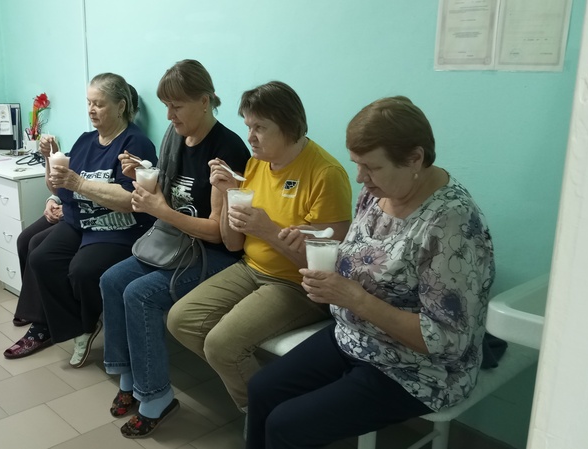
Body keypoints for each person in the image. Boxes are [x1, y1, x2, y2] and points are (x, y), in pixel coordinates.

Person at [245, 96, 496, 448]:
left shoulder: (451, 224)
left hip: (418, 368)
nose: (360, 178)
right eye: (356, 164)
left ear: (415, 159)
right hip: (355, 336)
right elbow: (364, 255)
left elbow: (446, 340)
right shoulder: (376, 193)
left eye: (371, 167)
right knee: (262, 389)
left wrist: (355, 299)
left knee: (286, 425)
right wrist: (313, 241)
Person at [166, 80, 354, 415]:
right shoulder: (257, 164)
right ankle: (270, 392)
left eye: (260, 128)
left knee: (222, 345)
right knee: (181, 319)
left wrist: (268, 230)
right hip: (250, 268)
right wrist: (226, 193)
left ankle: (266, 415)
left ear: (290, 127)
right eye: (248, 126)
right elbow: (233, 242)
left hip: (298, 285)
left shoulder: (325, 174)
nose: (250, 137)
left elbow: (329, 267)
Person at [100, 59, 250, 439]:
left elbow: (218, 234)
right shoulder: (174, 136)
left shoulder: (227, 149)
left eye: (177, 106)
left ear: (205, 101)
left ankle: (156, 398)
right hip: (175, 242)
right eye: (166, 106)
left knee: (140, 295)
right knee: (112, 280)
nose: (169, 115)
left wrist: (161, 210)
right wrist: (141, 176)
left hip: (214, 255)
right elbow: (167, 198)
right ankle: (129, 377)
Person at [4, 73, 157, 369]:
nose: (91, 110)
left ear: (121, 106)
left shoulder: (135, 144)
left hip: (117, 227)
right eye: (89, 103)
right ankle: (65, 324)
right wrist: (49, 159)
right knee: (41, 257)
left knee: (81, 269)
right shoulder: (86, 141)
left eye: (99, 104)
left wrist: (79, 184)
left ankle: (86, 326)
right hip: (81, 221)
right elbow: (59, 186)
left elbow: (131, 200)